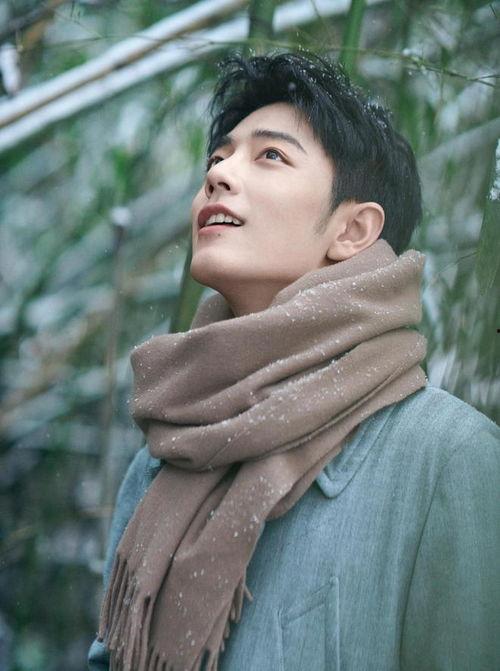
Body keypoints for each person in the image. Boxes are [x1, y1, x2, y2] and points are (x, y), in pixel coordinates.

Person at [88, 50, 500, 671]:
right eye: (218, 157)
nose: (219, 175)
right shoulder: (163, 459)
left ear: (353, 231)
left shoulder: (448, 458)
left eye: (271, 156)